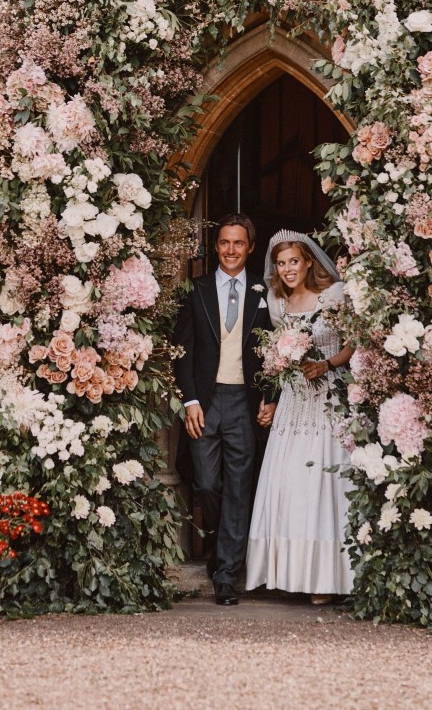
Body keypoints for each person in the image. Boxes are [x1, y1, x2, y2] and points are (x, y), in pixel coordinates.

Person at [245, 230, 354, 603]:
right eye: (281, 263)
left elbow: (352, 342)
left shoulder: (334, 296)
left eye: (294, 261)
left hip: (328, 397)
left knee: (323, 484)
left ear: (309, 261)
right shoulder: (278, 303)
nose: (288, 269)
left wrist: (326, 363)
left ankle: (326, 578)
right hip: (294, 401)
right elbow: (277, 361)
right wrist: (271, 399)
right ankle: (290, 572)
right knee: (290, 483)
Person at [173, 214, 275, 606]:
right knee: (206, 484)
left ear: (250, 247)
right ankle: (219, 544)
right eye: (224, 243)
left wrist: (269, 396)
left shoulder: (264, 293)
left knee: (238, 488)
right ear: (216, 247)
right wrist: (190, 400)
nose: (231, 250)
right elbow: (182, 351)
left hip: (244, 403)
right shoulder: (195, 290)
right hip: (205, 400)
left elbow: (274, 354)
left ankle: (227, 575)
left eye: (238, 243)